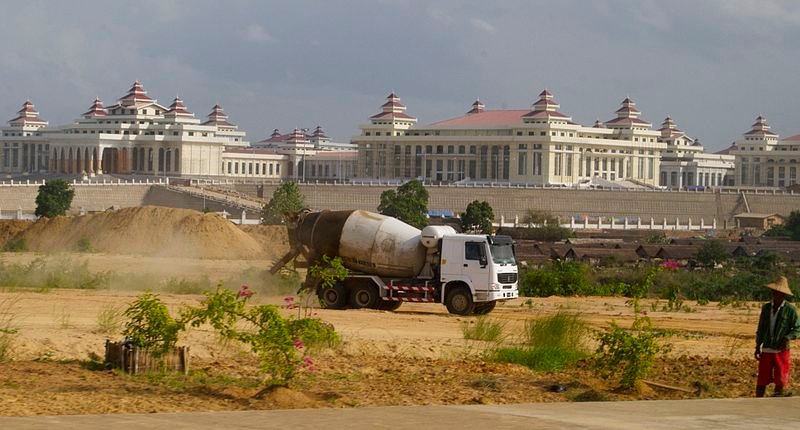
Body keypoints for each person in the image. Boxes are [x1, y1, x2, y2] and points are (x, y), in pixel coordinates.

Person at [755, 276, 800, 397]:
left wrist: (787, 338)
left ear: (783, 294)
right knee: (762, 379)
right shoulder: (766, 308)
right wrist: (758, 345)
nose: (774, 295)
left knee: (780, 378)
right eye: (773, 292)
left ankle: (777, 399)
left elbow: (797, 328)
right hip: (767, 347)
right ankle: (758, 402)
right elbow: (761, 328)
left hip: (781, 349)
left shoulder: (790, 310)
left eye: (777, 293)